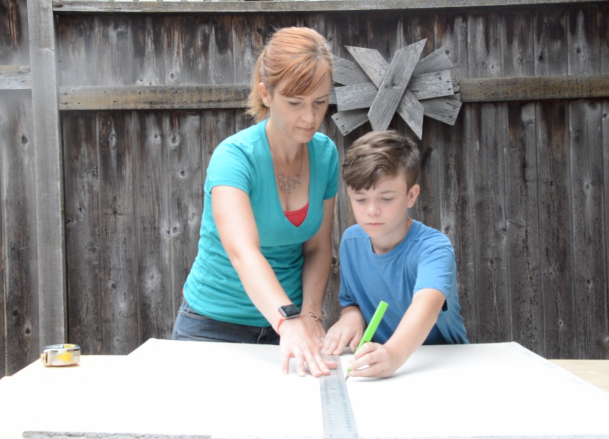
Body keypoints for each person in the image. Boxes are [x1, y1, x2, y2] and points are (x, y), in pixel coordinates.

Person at [172, 27, 339, 378]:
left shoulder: (325, 154)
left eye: (319, 102)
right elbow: (243, 253)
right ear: (266, 94)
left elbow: (318, 248)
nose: (310, 117)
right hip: (212, 328)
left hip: (291, 329)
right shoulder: (233, 158)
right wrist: (288, 319)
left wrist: (309, 315)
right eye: (295, 103)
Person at [322, 130, 468, 378]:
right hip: (383, 368)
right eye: (360, 198)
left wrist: (393, 354)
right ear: (348, 194)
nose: (372, 211)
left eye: (386, 198)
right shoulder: (351, 242)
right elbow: (352, 301)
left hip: (445, 366)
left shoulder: (433, 248)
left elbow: (427, 306)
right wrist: (351, 316)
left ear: (411, 196)